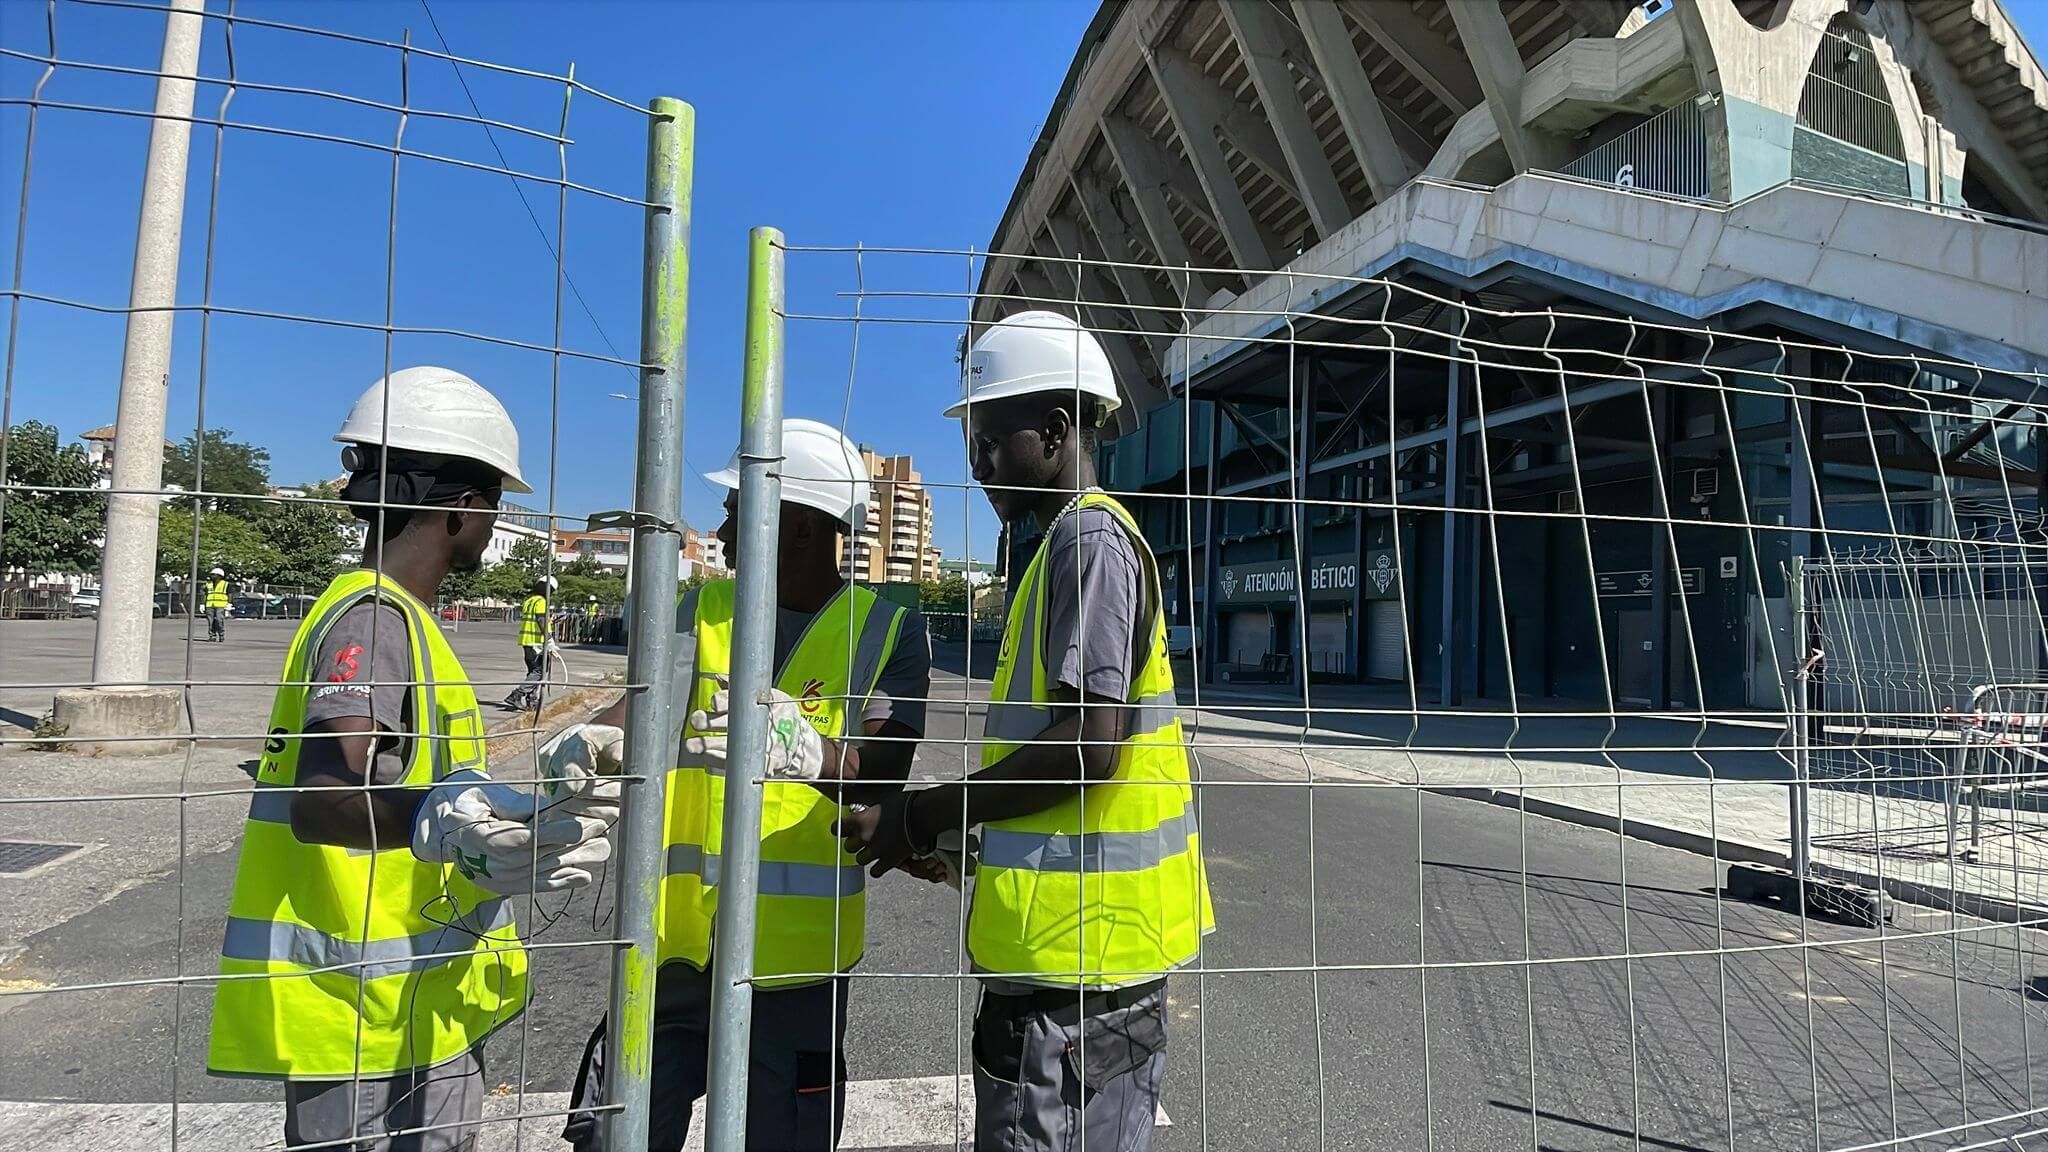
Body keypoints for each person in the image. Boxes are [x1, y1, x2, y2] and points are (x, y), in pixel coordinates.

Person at [207, 366, 620, 1152]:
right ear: (461, 509)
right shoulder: (375, 619)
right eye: (495, 503)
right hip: (363, 1019)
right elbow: (324, 796)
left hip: (410, 1008)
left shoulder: (396, 617)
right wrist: (447, 820)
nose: (496, 522)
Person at [839, 311, 1214, 1152]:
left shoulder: (1086, 540)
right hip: (1077, 967)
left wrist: (922, 812)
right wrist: (967, 839)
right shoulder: (1054, 551)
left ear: (1053, 431)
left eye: (987, 438)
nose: (975, 465)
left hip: (1075, 980)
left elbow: (1089, 743)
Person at [562, 418, 932, 1152]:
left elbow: (882, 780)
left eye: (737, 506)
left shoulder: (888, 630)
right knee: (618, 1134)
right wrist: (582, 747)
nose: (723, 523)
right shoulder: (703, 611)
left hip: (796, 968)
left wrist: (807, 751)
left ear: (794, 524)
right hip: (674, 947)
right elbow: (640, 708)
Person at [505, 576, 555, 711]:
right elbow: (541, 621)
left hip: (526, 641)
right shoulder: (541, 602)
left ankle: (531, 700)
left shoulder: (529, 600)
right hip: (536, 642)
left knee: (533, 672)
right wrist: (549, 639)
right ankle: (517, 694)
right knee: (539, 671)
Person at [205, 566, 231, 642]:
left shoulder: (225, 584)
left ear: (219, 576)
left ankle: (221, 635)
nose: (212, 576)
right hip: (210, 604)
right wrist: (202, 604)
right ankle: (212, 636)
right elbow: (205, 594)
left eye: (214, 574)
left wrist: (229, 603)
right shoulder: (208, 584)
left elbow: (229, 594)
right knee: (211, 621)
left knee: (219, 620)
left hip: (221, 605)